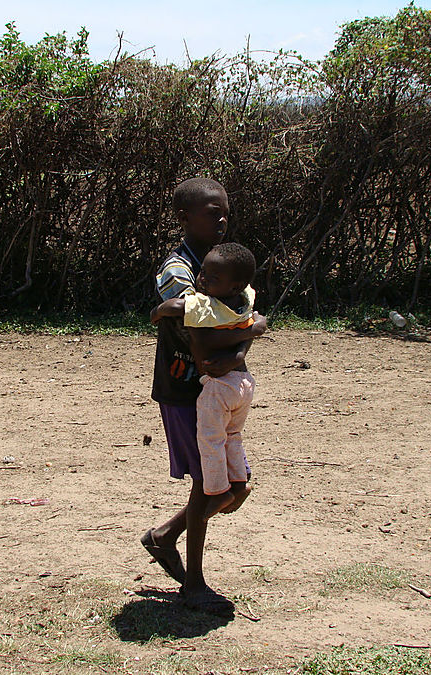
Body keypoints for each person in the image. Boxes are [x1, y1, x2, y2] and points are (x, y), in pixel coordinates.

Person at [141, 177, 266, 615]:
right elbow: (201, 324)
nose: (221, 217)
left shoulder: (222, 263)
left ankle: (165, 536)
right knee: (205, 487)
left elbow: (238, 320)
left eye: (225, 210)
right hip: (185, 389)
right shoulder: (177, 269)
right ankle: (193, 584)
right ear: (184, 218)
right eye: (211, 211)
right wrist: (245, 335)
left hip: (219, 389)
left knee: (234, 489)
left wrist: (241, 346)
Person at [150, 242, 257, 521]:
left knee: (211, 440)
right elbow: (259, 322)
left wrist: (158, 312)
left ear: (232, 285)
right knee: (232, 435)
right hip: (243, 382)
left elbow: (175, 306)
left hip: (218, 387)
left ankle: (219, 490)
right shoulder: (244, 299)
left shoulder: (206, 305)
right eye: (203, 274)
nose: (203, 279)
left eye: (212, 277)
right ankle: (239, 481)